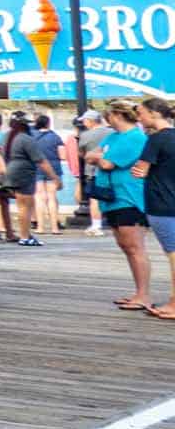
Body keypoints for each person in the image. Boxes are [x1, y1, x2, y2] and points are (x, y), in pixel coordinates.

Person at [90, 101, 155, 312]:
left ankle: (144, 295)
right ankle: (138, 292)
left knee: (135, 247)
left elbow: (107, 163)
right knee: (125, 246)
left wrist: (100, 157)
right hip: (111, 199)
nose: (106, 118)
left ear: (117, 114)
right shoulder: (112, 137)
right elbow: (90, 155)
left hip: (129, 198)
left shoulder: (135, 137)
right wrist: (100, 157)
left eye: (108, 114)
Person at [131, 97, 175, 320]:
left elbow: (140, 170)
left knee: (173, 253)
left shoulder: (156, 140)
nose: (139, 118)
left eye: (141, 113)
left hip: (161, 204)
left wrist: (141, 171)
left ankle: (174, 304)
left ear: (154, 114)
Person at [2, 113, 57, 248]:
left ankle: (16, 233)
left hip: (8, 171)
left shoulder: (7, 137)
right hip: (23, 174)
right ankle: (25, 236)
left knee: (12, 204)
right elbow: (41, 160)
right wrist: (54, 177)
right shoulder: (25, 139)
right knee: (25, 207)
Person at [78, 110, 113, 234]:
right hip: (113, 167)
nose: (83, 123)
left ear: (90, 121)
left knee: (95, 198)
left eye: (85, 121)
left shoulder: (85, 135)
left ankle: (96, 225)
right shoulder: (112, 132)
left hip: (93, 170)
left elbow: (81, 153)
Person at [31, 113, 66, 235]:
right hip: (54, 168)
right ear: (48, 123)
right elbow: (63, 156)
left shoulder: (32, 137)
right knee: (52, 197)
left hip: (37, 167)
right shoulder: (55, 137)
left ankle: (40, 227)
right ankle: (54, 227)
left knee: (39, 197)